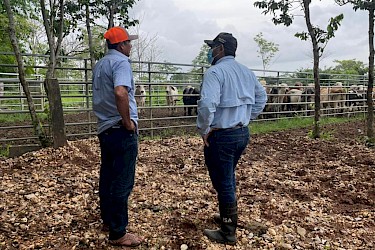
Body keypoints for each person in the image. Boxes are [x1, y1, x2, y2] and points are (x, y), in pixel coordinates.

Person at [197, 32, 267, 245]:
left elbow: (207, 104)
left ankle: (228, 231)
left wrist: (204, 129)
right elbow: (261, 97)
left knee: (224, 180)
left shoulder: (215, 72)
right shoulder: (246, 72)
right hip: (241, 133)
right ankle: (227, 214)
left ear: (220, 48)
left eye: (212, 47)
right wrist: (247, 117)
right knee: (226, 177)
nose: (210, 51)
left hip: (221, 135)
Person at [92, 26, 143, 247]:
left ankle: (108, 220)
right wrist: (128, 122)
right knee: (123, 180)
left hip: (105, 128)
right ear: (121, 45)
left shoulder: (100, 64)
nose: (131, 46)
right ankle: (118, 232)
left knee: (108, 176)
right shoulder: (121, 62)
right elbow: (120, 92)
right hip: (120, 129)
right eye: (129, 43)